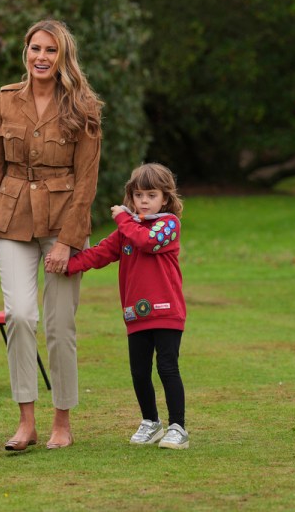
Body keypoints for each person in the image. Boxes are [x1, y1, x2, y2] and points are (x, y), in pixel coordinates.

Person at [0, 20, 102, 451]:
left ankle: (61, 422)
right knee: (21, 317)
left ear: (63, 57)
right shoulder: (5, 100)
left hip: (64, 222)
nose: (41, 58)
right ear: (25, 52)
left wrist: (68, 241)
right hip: (10, 220)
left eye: (50, 50)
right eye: (35, 49)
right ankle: (25, 421)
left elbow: (86, 183)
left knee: (60, 324)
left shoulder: (84, 107)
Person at [60, 163, 189, 450]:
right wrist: (68, 265)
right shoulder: (127, 231)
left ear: (165, 198)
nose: (143, 200)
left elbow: (146, 242)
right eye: (138, 194)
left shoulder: (168, 224)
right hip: (135, 315)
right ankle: (151, 422)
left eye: (151, 195)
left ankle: (177, 427)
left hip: (167, 312)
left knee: (167, 368)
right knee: (139, 371)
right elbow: (100, 253)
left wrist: (123, 219)